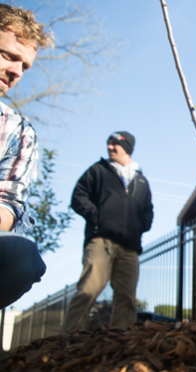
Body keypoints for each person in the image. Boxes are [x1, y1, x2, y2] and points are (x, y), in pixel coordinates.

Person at [60, 131, 153, 332]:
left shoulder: (141, 180)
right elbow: (78, 197)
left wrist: (142, 225)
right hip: (101, 240)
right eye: (108, 143)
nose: (110, 147)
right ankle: (67, 338)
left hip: (130, 246)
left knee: (126, 297)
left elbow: (148, 208)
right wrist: (98, 217)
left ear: (127, 148)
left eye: (115, 144)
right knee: (88, 290)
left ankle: (121, 341)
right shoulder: (97, 171)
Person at [0, 4, 53, 309]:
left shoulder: (18, 131)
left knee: (23, 256)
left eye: (26, 66)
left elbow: (6, 205)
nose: (17, 72)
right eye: (8, 55)